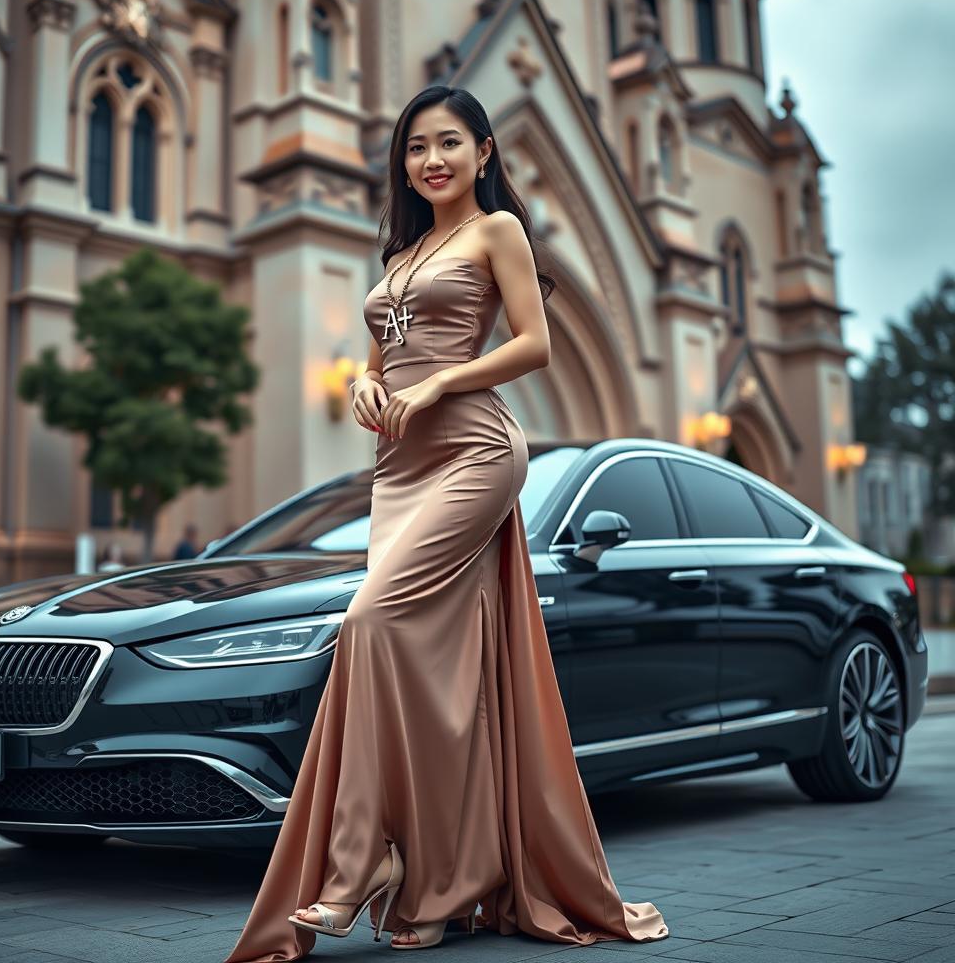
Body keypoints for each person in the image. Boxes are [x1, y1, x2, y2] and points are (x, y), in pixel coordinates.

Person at [222, 86, 669, 962]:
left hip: (473, 449)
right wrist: (364, 379)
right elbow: (386, 347)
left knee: (368, 620)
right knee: (438, 681)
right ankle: (438, 885)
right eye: (416, 147)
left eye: (450, 144)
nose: (431, 160)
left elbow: (534, 343)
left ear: (485, 152)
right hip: (399, 466)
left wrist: (438, 384)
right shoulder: (405, 248)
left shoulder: (496, 233)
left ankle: (359, 865)